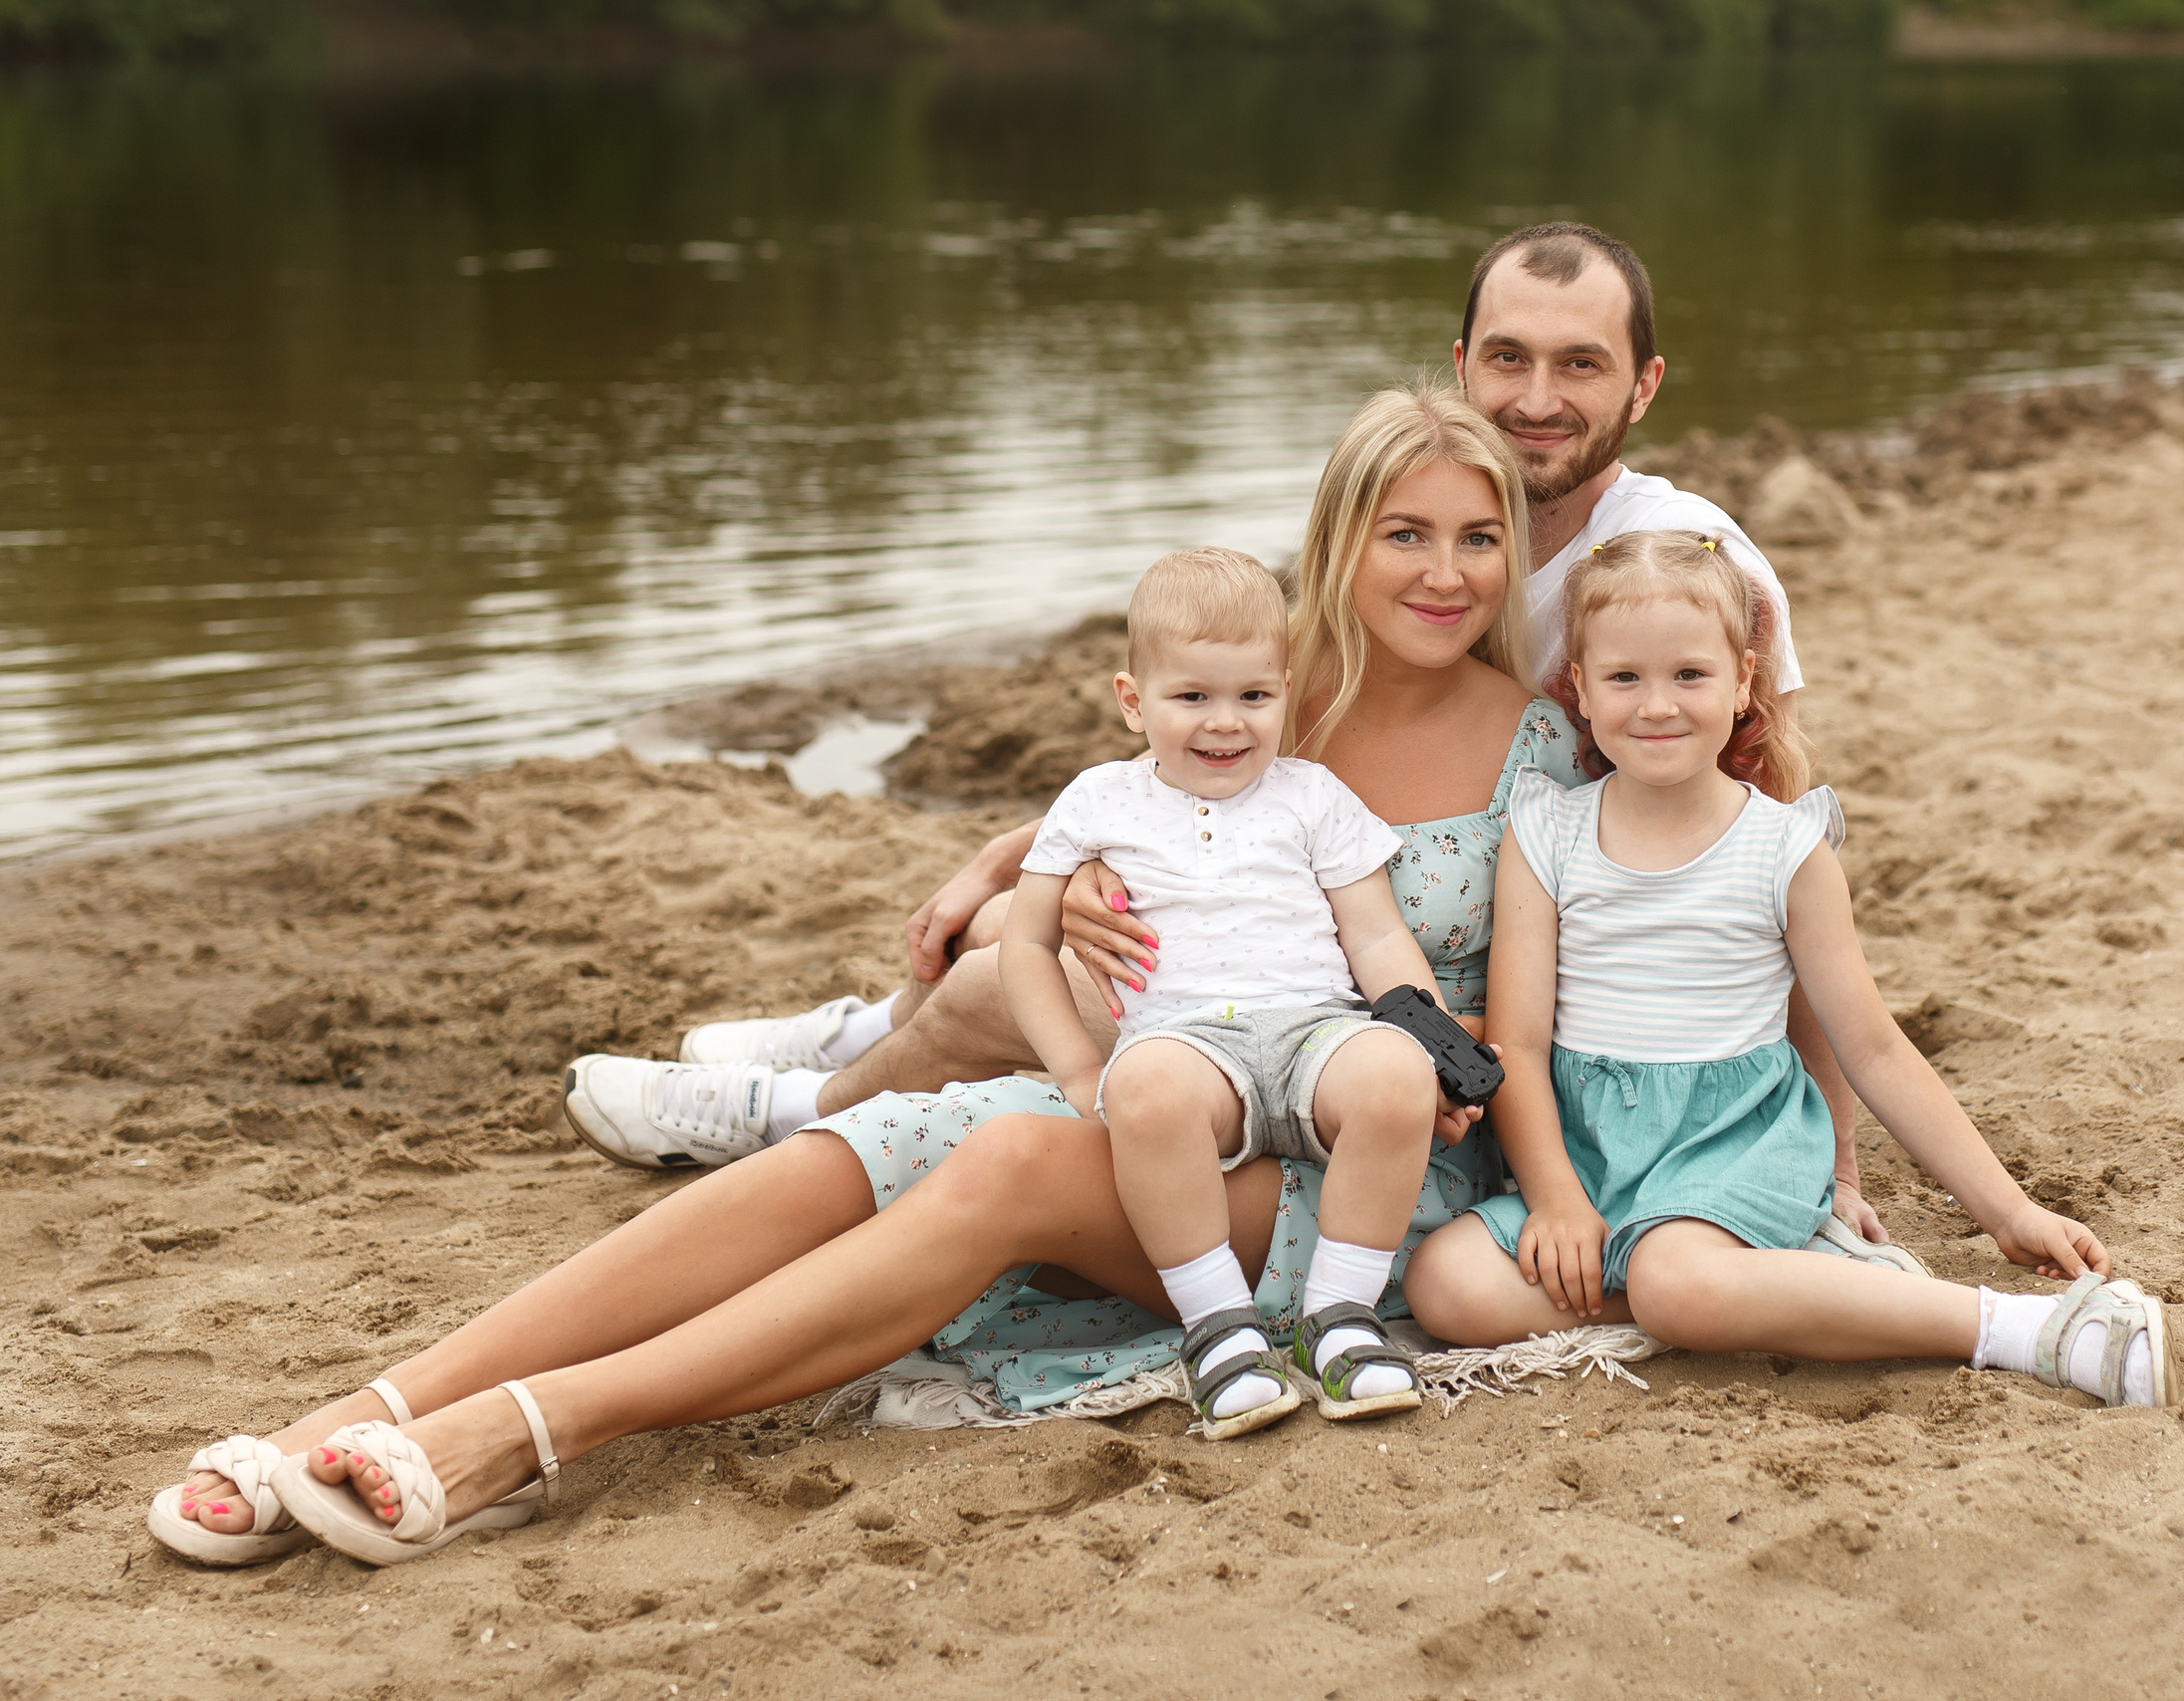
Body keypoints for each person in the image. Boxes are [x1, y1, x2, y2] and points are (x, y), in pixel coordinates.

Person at [140, 382, 1597, 1569]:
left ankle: (529, 1432)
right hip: (1189, 1087)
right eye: (1407, 532)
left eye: (1479, 539)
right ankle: (365, 1406)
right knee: (872, 1141)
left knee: (1002, 1163)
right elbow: (1132, 809)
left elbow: (1616, 947)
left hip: (1365, 1153)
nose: (1446, 571)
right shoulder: (1279, 695)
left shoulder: (1535, 744)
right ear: (1341, 541)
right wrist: (1028, 871)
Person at [560, 220, 1898, 1258]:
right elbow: (1247, 723)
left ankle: (809, 1104)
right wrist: (1020, 855)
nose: (1539, 395)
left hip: (1476, 986)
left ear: (1645, 384)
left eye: (1581, 364)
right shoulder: (1410, 512)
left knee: (1012, 987)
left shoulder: (1679, 562)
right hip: (1309, 914)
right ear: (1462, 365)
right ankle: (835, 1062)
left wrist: (1830, 1151)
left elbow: (1771, 841)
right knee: (1022, 941)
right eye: (1510, 357)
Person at [1399, 531, 2176, 1407]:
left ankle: (2024, 1329)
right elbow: (1520, 1044)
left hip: (1731, 1137)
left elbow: (1874, 1051)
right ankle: (1764, 1287)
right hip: (1587, 1148)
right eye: (1624, 679)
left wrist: (2009, 1212)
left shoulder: (1784, 848)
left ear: (1742, 680)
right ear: (1579, 686)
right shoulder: (1548, 833)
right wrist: (1557, 1202)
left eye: (1689, 676)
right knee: (1443, 1283)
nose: (1657, 705)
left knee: (1671, 1281)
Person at [1005, 547, 1462, 1435]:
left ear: (1286, 689)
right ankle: (1219, 1331)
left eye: (1254, 697)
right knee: (1142, 1091)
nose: (1226, 724)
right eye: (1192, 699)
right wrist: (1071, 1066)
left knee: (1396, 1074)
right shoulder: (1100, 800)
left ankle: (1341, 1322)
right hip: (1187, 1044)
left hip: (1314, 1030)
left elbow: (1373, 935)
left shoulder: (1311, 796)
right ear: (1134, 700)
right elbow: (1027, 941)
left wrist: (1437, 1040)